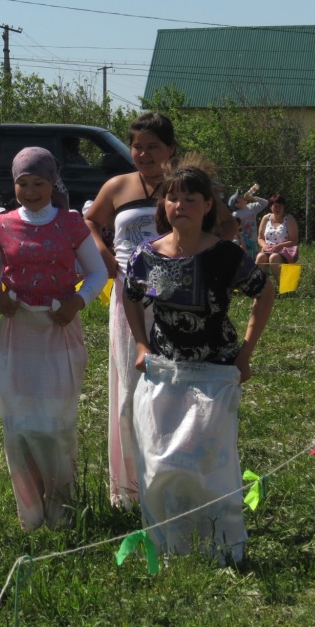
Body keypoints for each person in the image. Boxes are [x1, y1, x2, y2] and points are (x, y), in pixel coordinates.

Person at [123, 162, 274, 564]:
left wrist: (245, 354)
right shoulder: (146, 256)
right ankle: (169, 548)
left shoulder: (226, 256)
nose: (180, 205)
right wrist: (140, 344)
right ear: (164, 203)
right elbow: (130, 296)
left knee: (207, 466)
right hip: (163, 373)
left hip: (214, 374)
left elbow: (265, 292)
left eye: (190, 199)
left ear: (207, 205)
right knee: (158, 463)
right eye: (173, 197)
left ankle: (220, 549)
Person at [0, 148, 108, 530]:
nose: (31, 190)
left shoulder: (70, 223)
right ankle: (30, 511)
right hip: (17, 329)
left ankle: (63, 509)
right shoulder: (2, 225)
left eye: (39, 183)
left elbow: (97, 271)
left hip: (59, 327)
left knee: (56, 422)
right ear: (13, 184)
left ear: (53, 184)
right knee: (19, 422)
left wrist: (78, 302)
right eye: (23, 183)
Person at [82, 111, 178, 509]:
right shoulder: (118, 185)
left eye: (152, 146)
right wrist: (103, 256)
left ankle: (172, 479)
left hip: (175, 298)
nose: (143, 154)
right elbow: (89, 221)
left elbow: (220, 225)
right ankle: (129, 490)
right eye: (137, 146)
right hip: (127, 299)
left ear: (170, 149)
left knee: (173, 388)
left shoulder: (180, 188)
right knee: (129, 389)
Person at [256, 194, 299, 280]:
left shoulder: (289, 219)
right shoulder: (266, 218)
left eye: (280, 206)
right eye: (275, 206)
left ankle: (282, 286)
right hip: (268, 249)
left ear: (284, 207)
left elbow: (294, 240)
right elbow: (260, 238)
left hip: (285, 250)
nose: (278, 209)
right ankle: (261, 286)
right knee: (260, 257)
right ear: (271, 207)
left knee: (274, 257)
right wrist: (265, 246)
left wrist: (278, 246)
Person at [229, 184, 267, 258]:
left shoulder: (251, 207)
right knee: (247, 259)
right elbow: (234, 229)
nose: (242, 196)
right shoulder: (236, 214)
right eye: (239, 197)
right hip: (243, 242)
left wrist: (253, 198)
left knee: (255, 258)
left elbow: (265, 203)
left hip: (253, 240)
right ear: (237, 204)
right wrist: (242, 237)